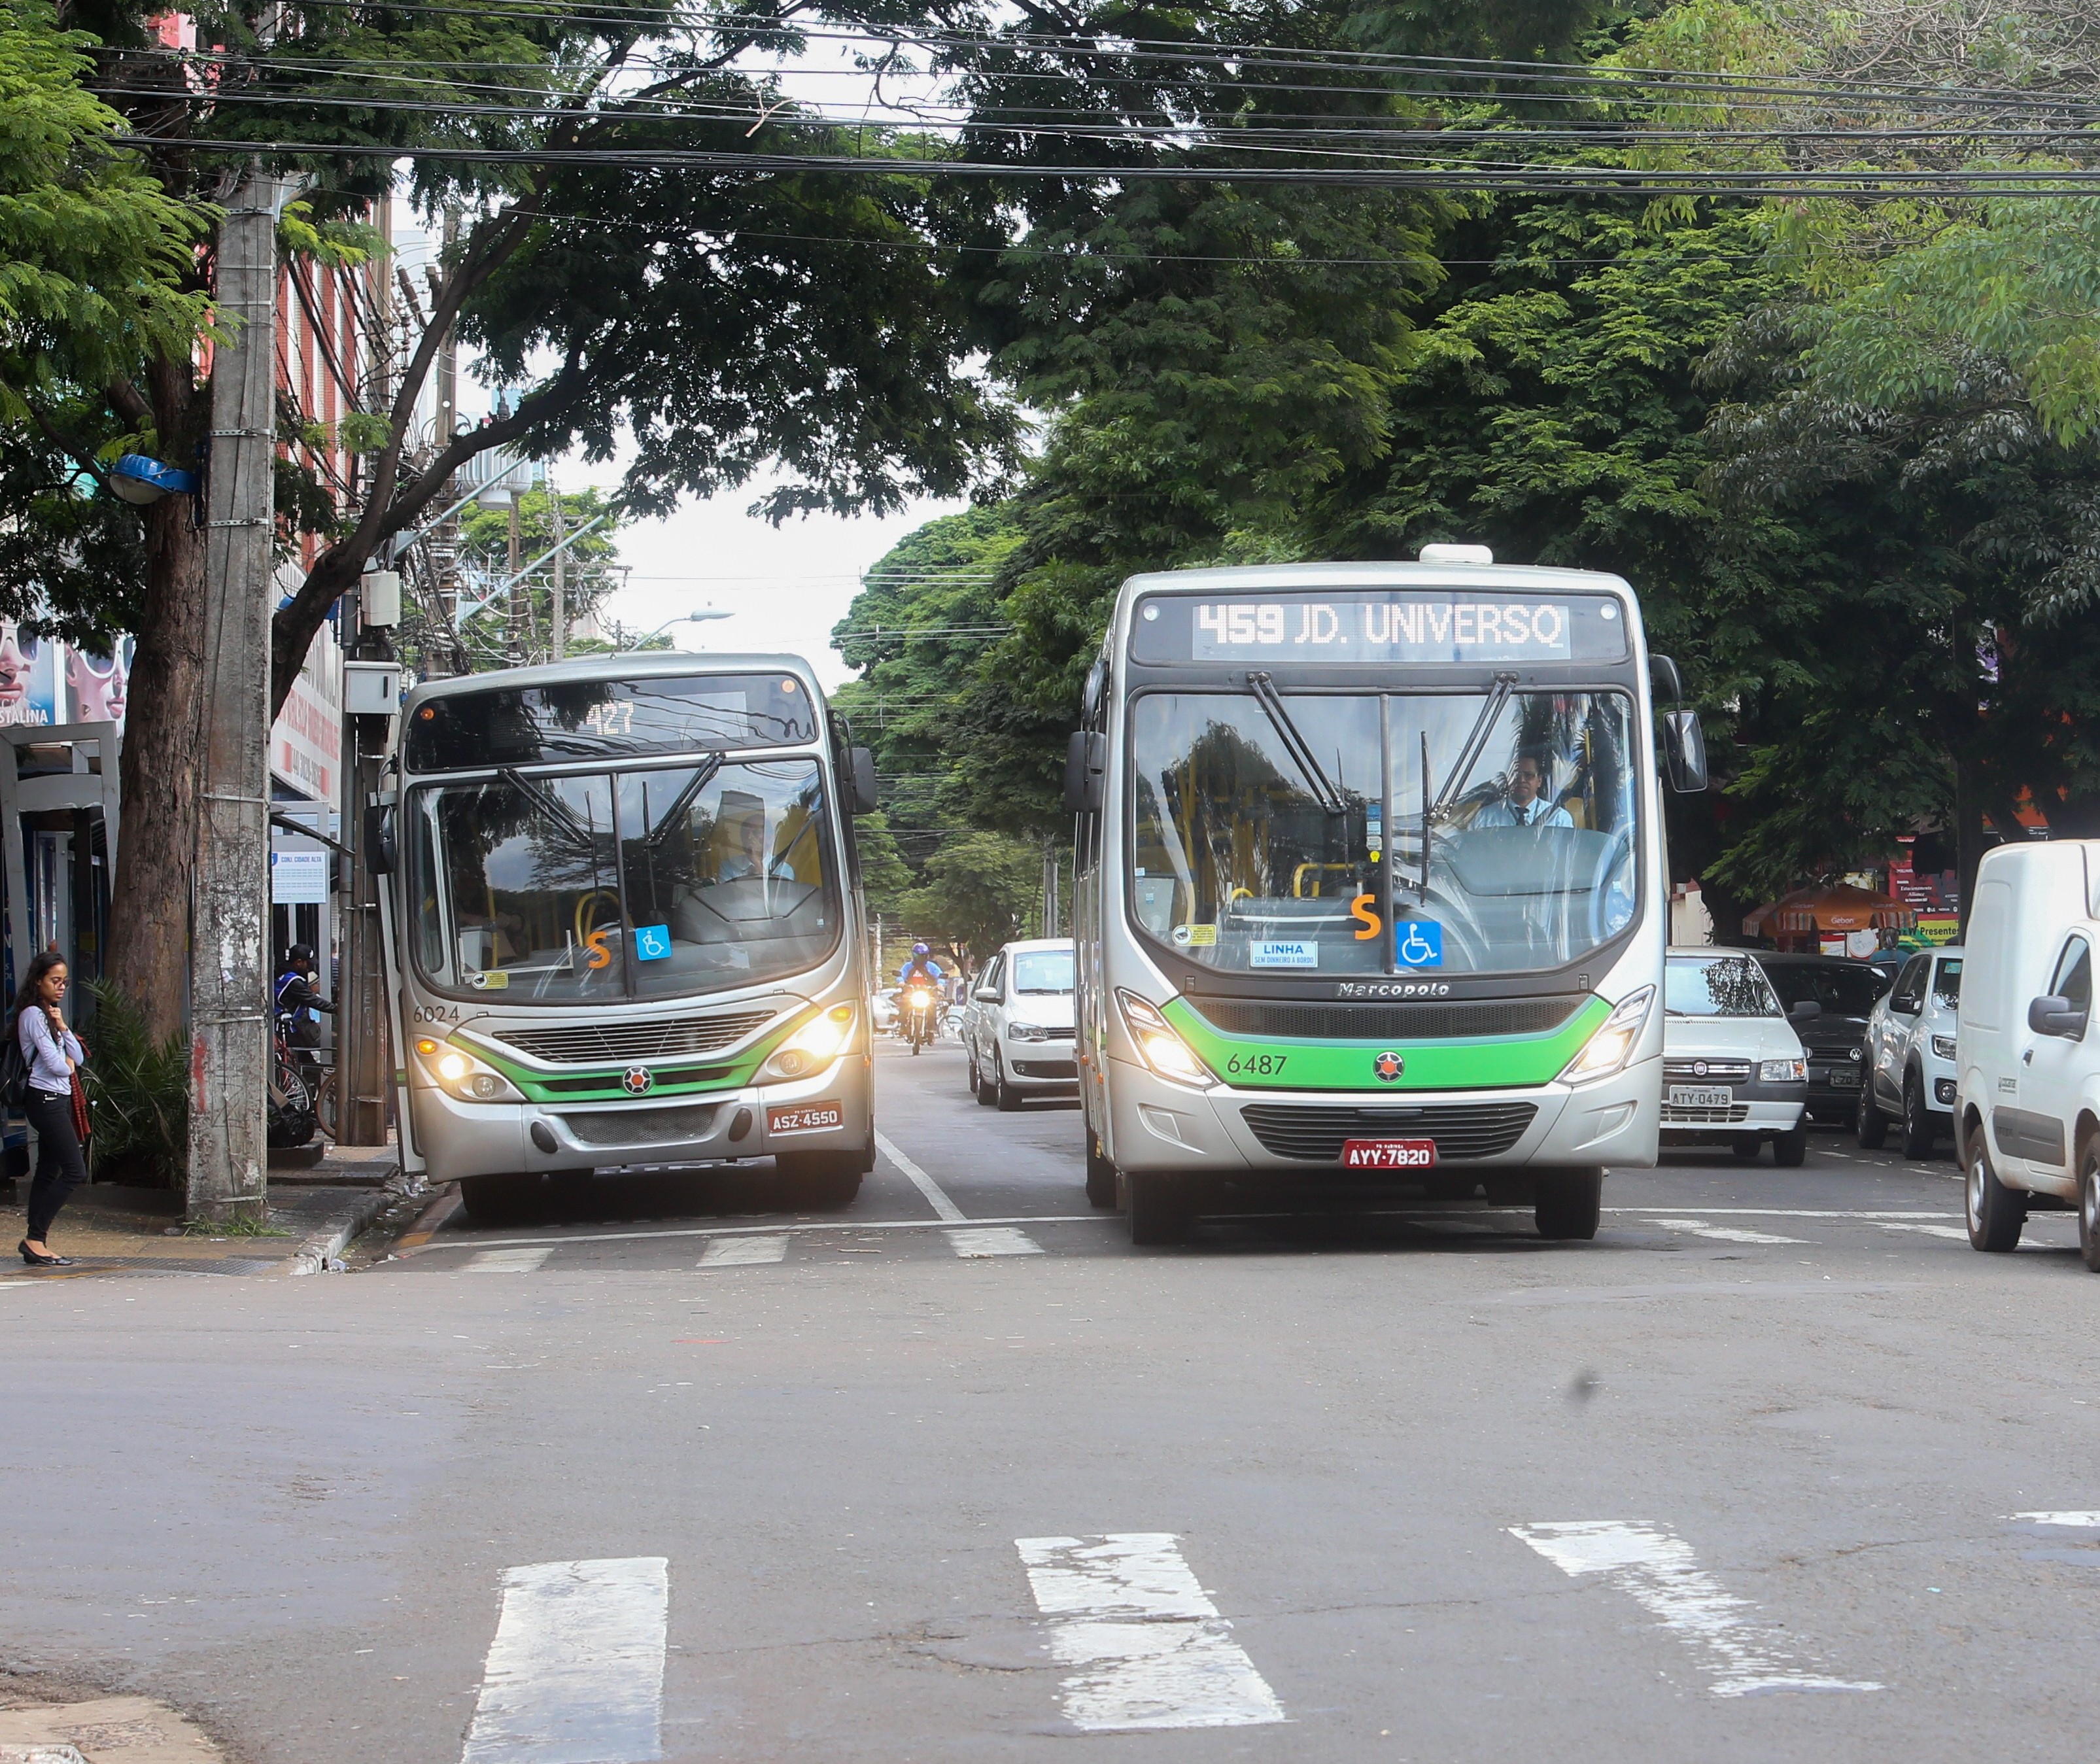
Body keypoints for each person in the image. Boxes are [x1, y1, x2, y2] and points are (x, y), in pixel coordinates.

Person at [14, 952, 86, 1268]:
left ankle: (35, 1241)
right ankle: (35, 1238)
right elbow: (59, 1066)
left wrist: (63, 1025)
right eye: (55, 981)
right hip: (43, 1100)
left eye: (64, 982)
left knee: (48, 1170)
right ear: (38, 981)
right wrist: (67, 1064)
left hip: (57, 1100)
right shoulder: (31, 1015)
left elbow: (78, 1059)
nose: (61, 987)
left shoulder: (49, 1015)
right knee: (75, 1170)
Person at [1473, 750, 1575, 829]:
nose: (1522, 780)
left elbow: (1565, 854)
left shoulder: (1559, 818)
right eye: (1516, 775)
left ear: (1539, 781)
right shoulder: (1485, 817)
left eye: (1529, 775)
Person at [275, 944, 337, 1033]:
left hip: (291, 1024)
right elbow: (312, 1000)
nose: (309, 967)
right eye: (307, 963)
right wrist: (336, 1009)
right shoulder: (293, 981)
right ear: (299, 962)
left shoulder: (284, 972)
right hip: (289, 1027)